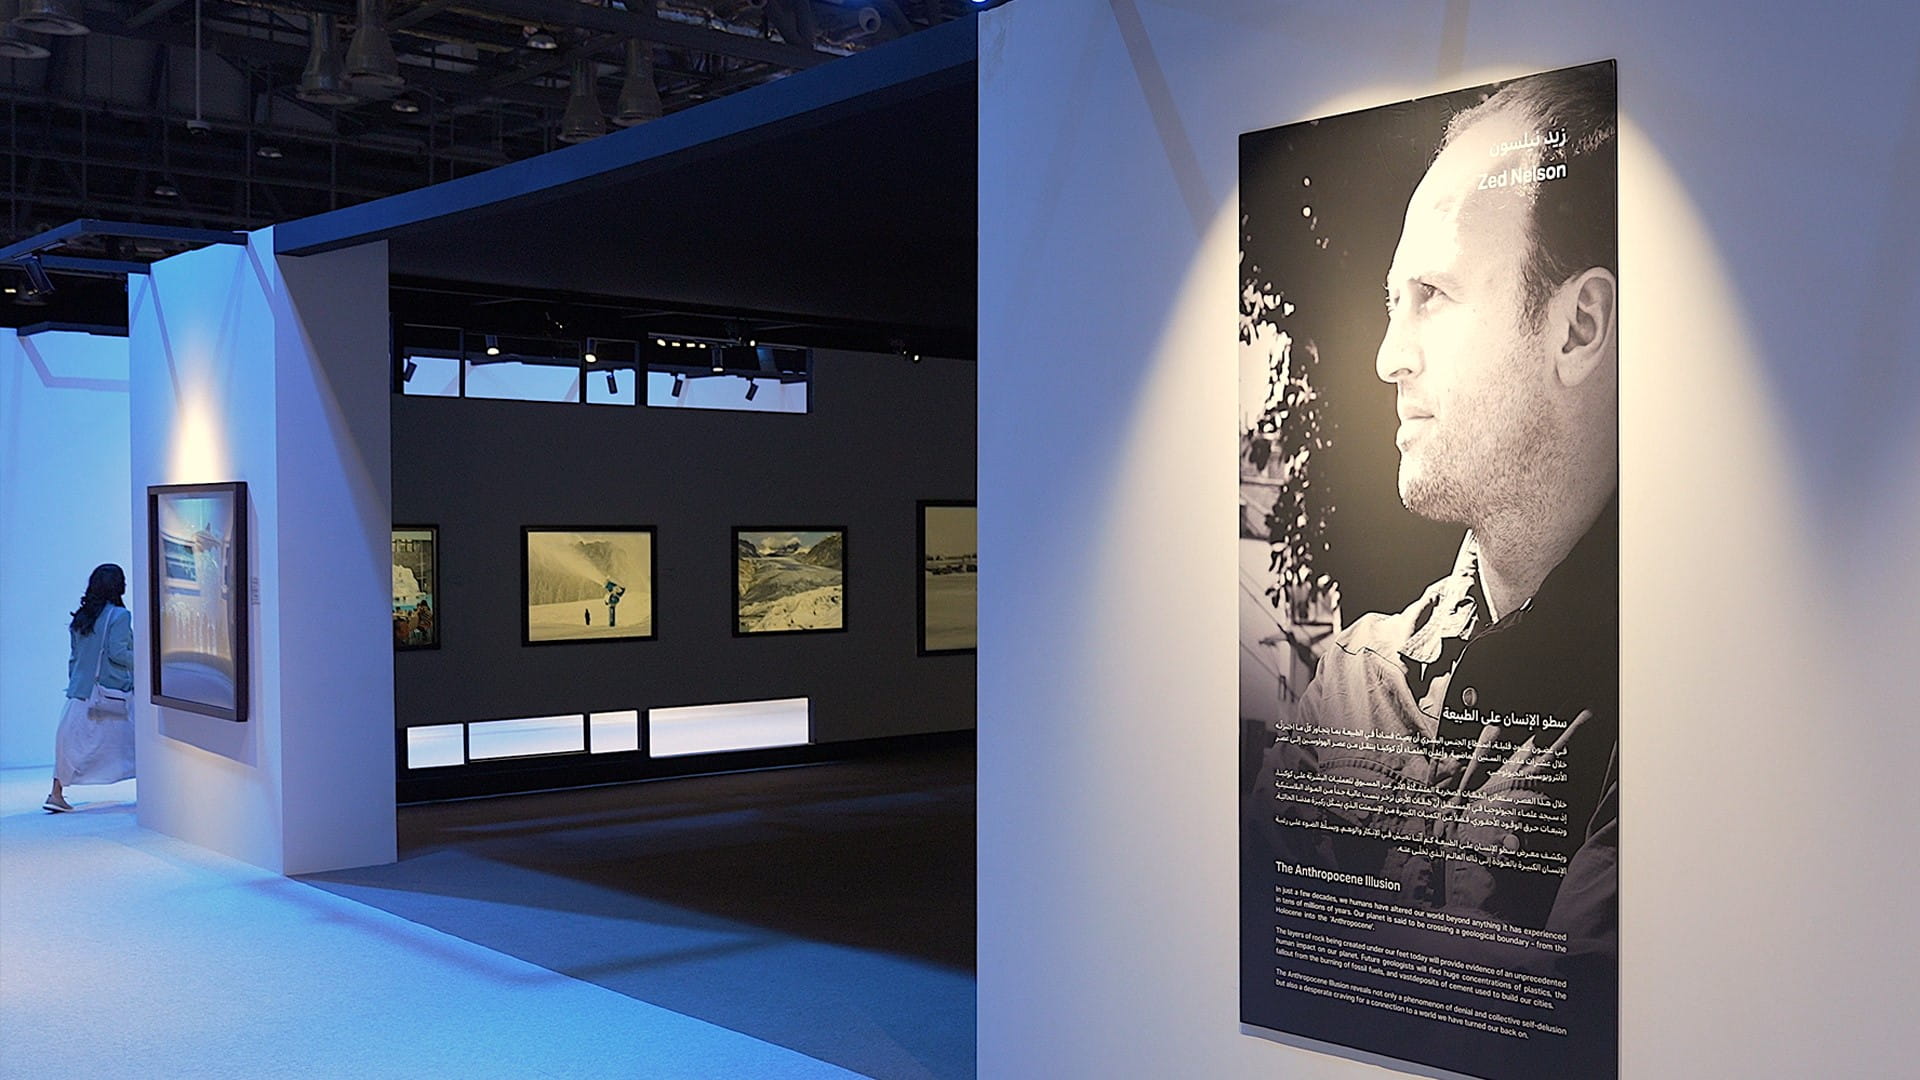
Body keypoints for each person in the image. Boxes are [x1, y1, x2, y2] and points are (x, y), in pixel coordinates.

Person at [1259, 64, 1618, 1069]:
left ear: (1578, 328)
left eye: (1432, 297)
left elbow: (1587, 1012)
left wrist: (1343, 936)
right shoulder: (1357, 676)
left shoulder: (1677, 680)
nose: (1388, 356)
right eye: (1392, 301)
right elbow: (1259, 934)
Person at [46, 563, 137, 812]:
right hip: (110, 692)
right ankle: (154, 793)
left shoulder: (82, 617)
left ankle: (56, 793)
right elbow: (118, 653)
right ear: (118, 586)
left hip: (80, 691)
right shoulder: (120, 616)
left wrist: (77, 683)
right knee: (132, 740)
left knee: (70, 743)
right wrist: (146, 660)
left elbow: (74, 656)